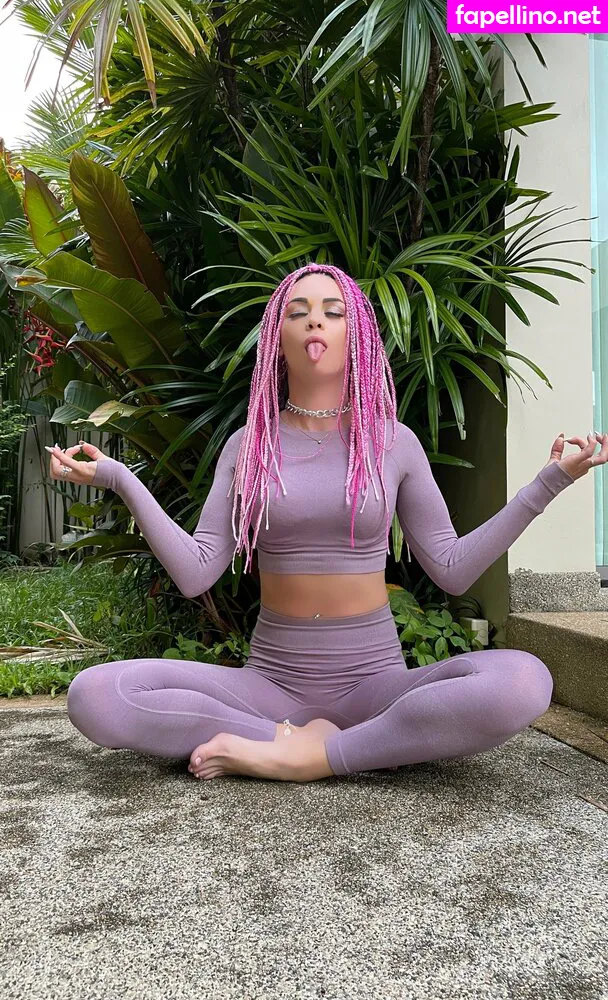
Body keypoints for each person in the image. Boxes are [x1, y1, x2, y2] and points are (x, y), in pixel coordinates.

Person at [47, 262, 606, 783]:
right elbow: (197, 572)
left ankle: (316, 755)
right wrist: (120, 479)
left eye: (332, 311)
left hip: (375, 685)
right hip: (269, 686)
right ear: (277, 338)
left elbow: (452, 567)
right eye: (298, 312)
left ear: (355, 334)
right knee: (96, 695)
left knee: (523, 681)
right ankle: (303, 741)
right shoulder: (248, 446)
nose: (315, 320)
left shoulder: (393, 441)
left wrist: (548, 483)